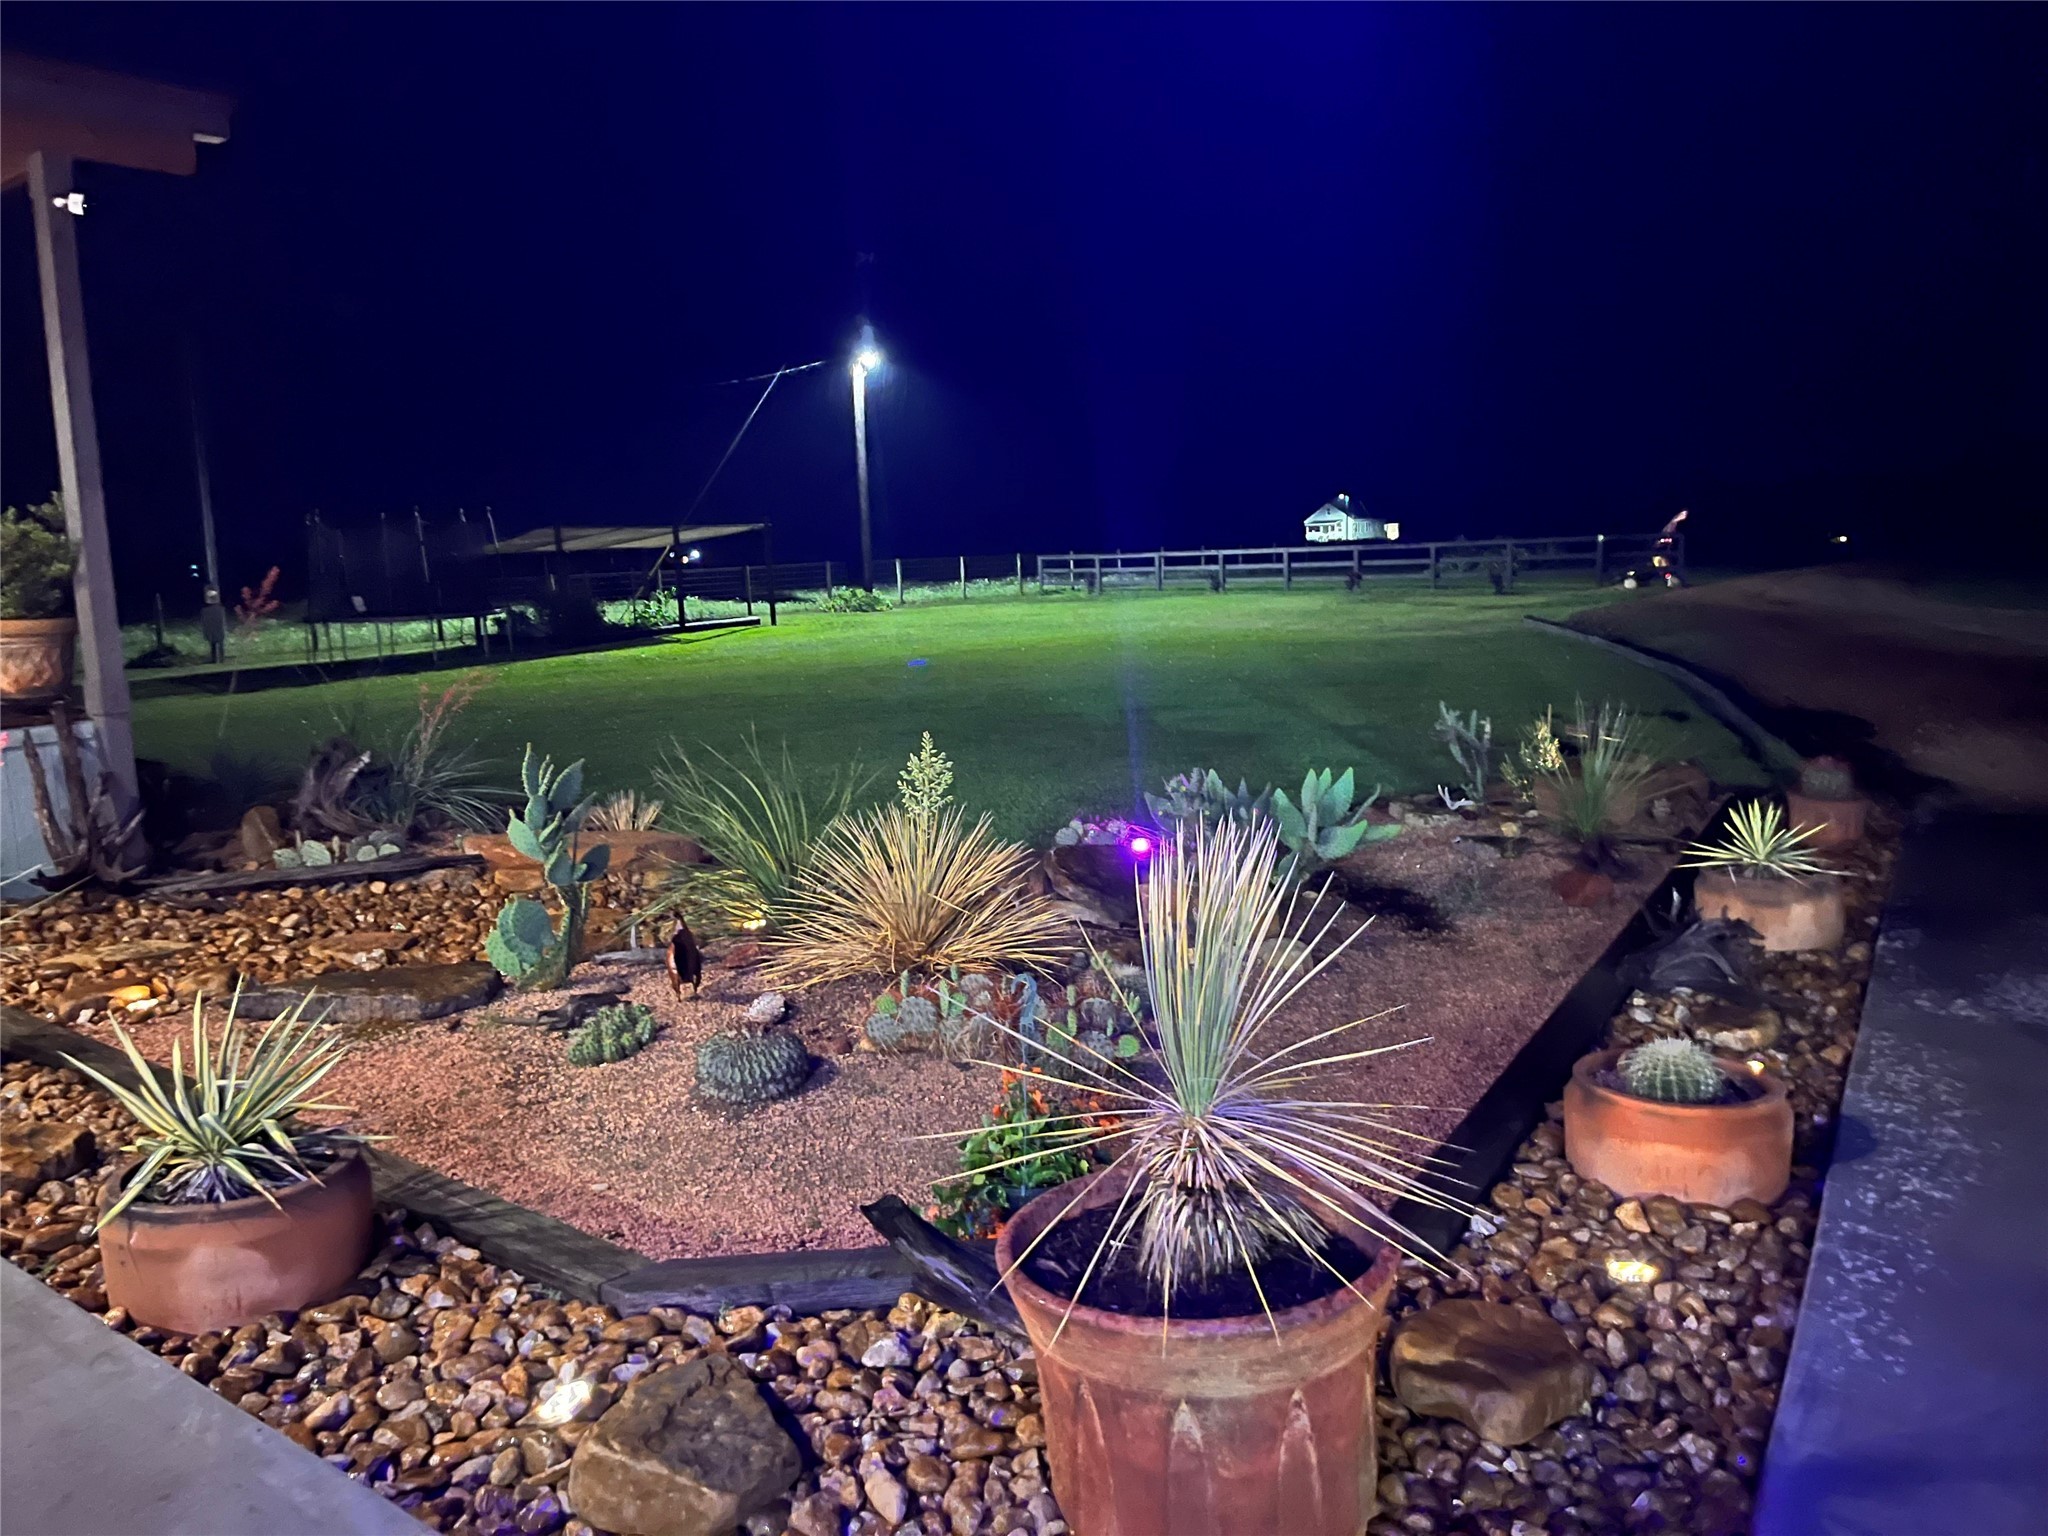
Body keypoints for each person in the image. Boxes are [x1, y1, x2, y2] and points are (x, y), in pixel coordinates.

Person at [199, 587, 228, 664]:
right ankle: (217, 657)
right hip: (216, 629)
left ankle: (218, 657)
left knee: (216, 643)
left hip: (216, 629)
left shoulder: (209, 610)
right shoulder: (216, 609)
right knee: (216, 643)